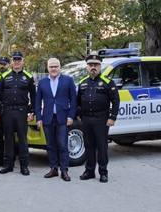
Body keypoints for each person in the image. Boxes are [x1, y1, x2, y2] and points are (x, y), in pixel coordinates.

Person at [77, 52, 120, 183]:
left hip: (102, 119)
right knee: (89, 146)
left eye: (96, 64)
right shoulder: (82, 83)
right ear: (87, 67)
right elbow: (78, 102)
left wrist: (112, 117)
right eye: (90, 65)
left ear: (100, 66)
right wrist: (78, 116)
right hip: (86, 120)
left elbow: (116, 101)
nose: (93, 67)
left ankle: (103, 172)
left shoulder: (108, 82)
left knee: (102, 147)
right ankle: (89, 171)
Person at [35, 58, 77, 182]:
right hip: (47, 118)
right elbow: (37, 102)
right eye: (51, 66)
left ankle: (64, 170)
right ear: (47, 68)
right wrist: (38, 118)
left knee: (63, 145)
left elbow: (73, 100)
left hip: (63, 118)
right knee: (50, 145)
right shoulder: (42, 83)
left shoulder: (68, 80)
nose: (53, 69)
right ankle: (53, 168)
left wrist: (71, 116)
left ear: (60, 67)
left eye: (56, 66)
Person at [0, 51, 36, 176]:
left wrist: (32, 112)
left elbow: (34, 96)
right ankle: (8, 165)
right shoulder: (4, 76)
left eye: (19, 60)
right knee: (8, 139)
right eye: (14, 60)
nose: (17, 62)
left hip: (21, 111)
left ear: (23, 61)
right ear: (11, 62)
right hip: (7, 112)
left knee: (23, 140)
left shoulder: (28, 77)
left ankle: (24, 166)